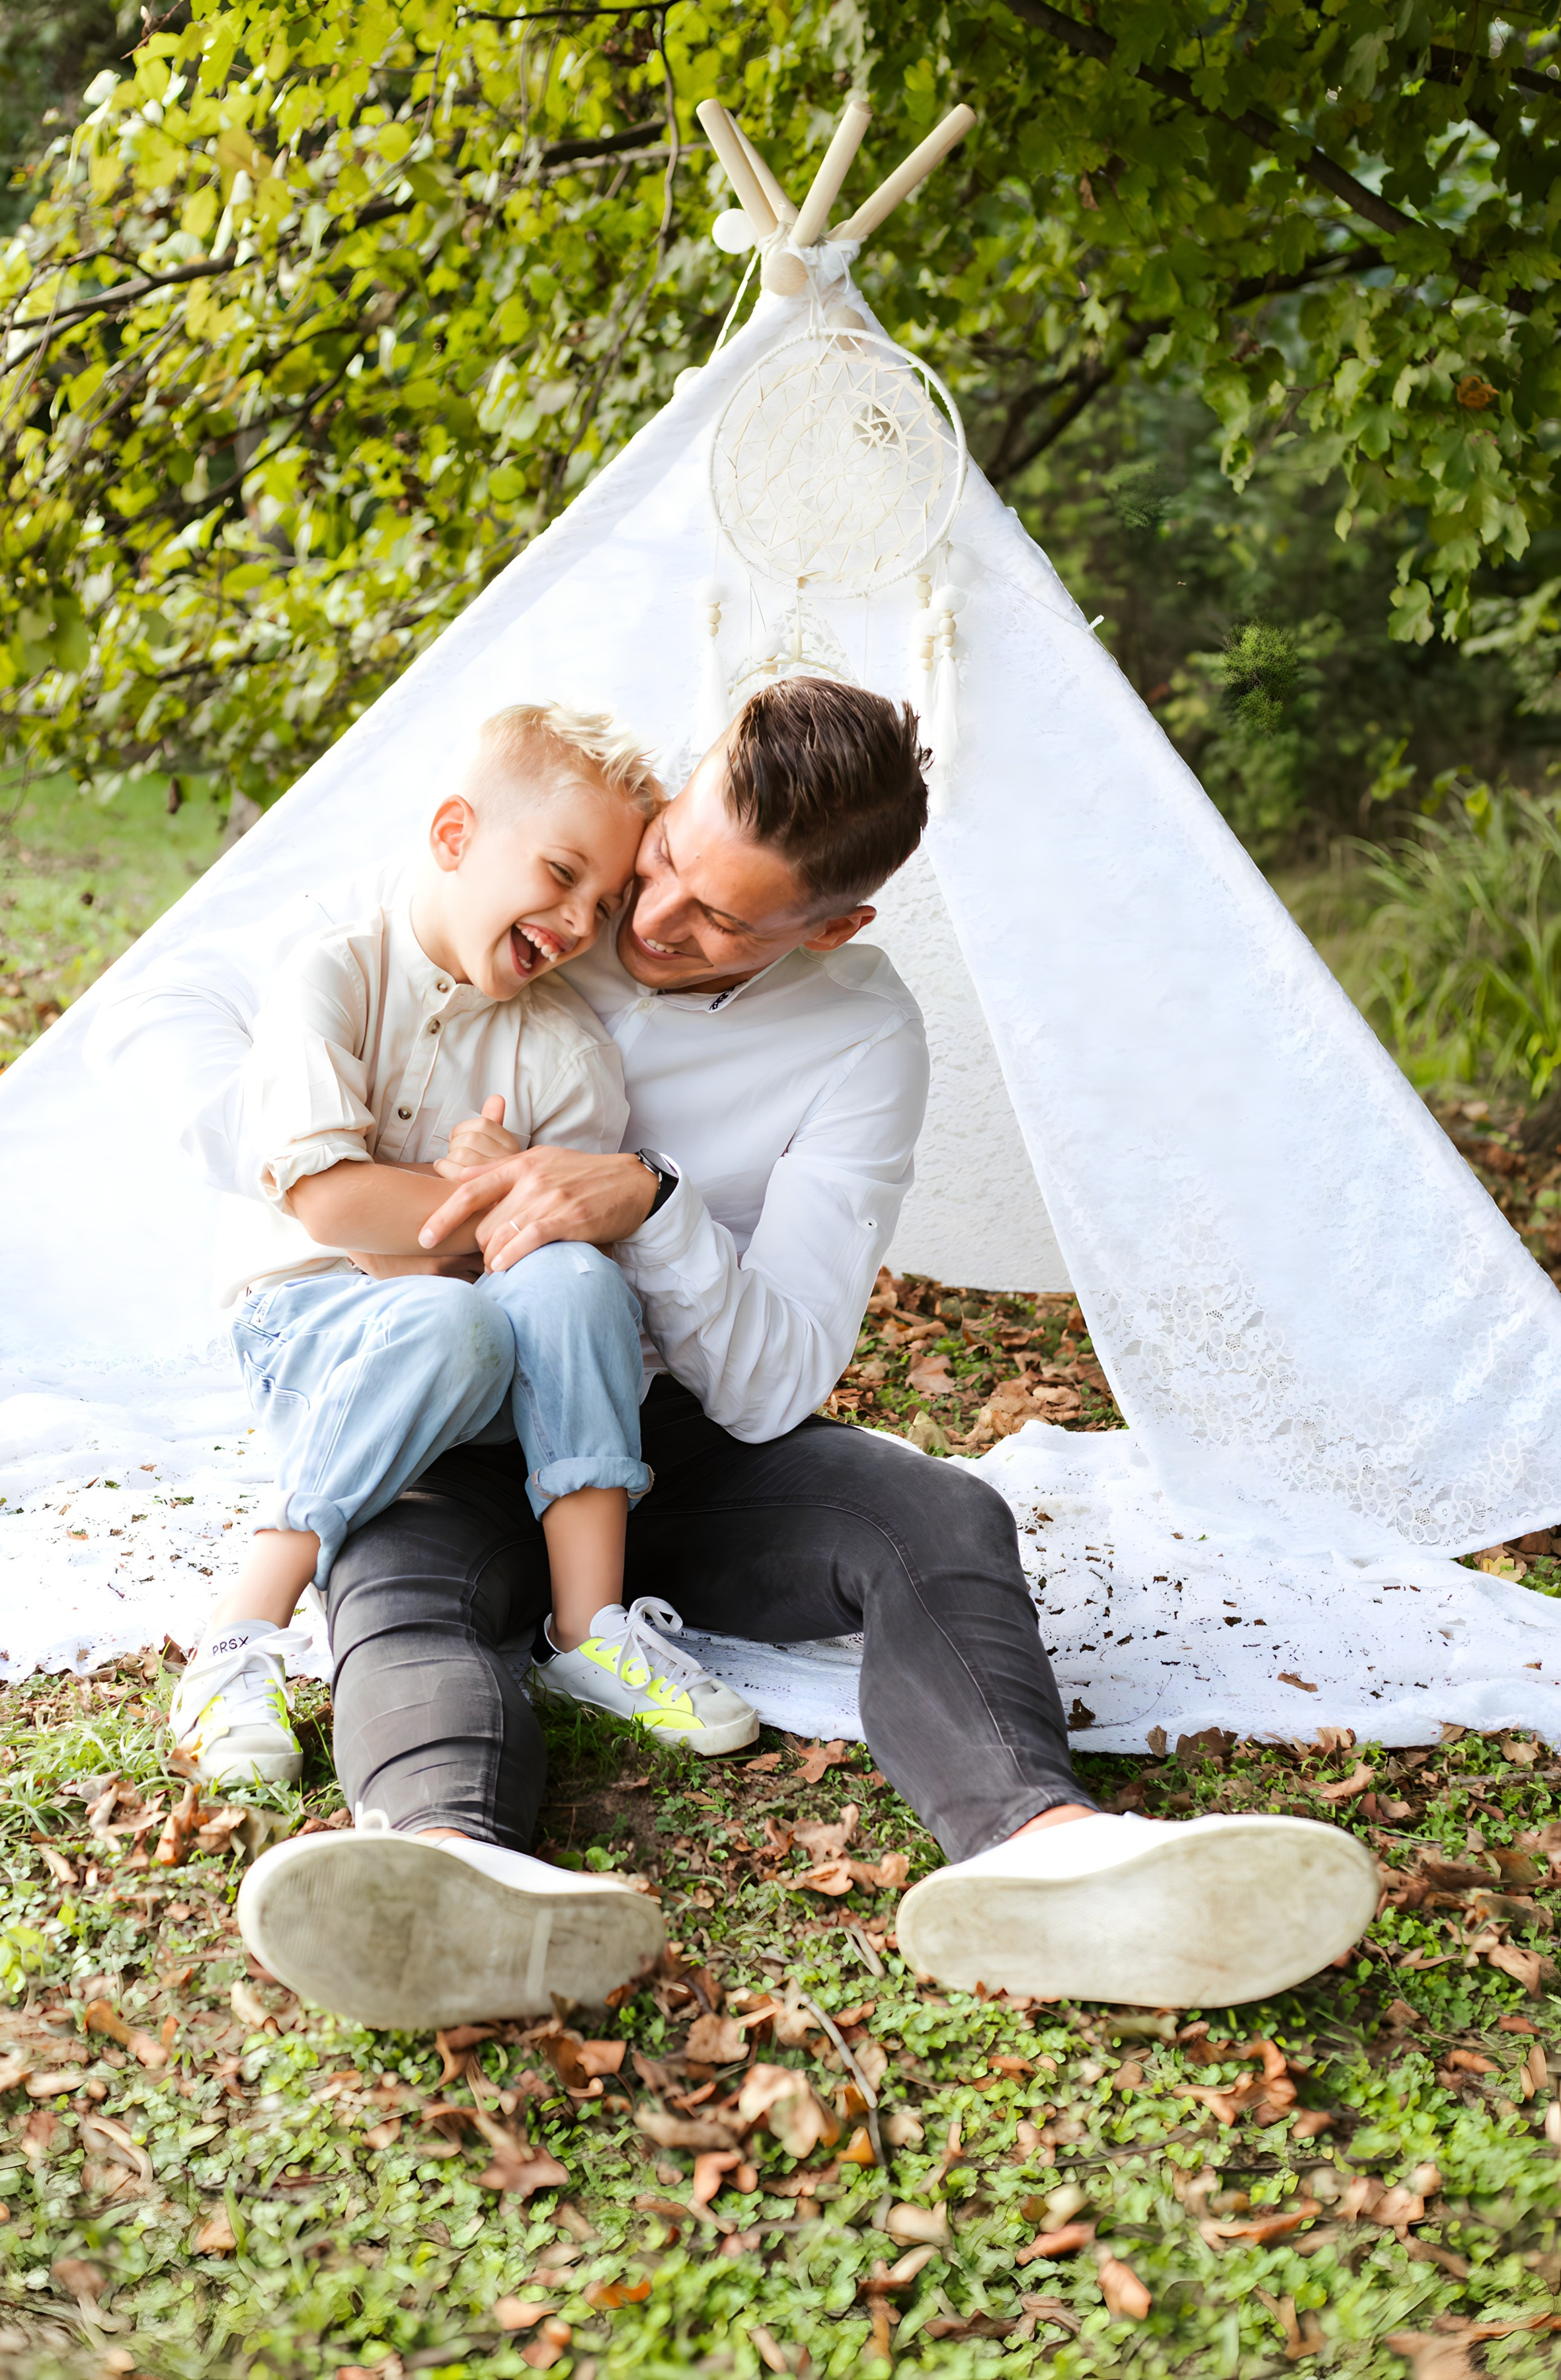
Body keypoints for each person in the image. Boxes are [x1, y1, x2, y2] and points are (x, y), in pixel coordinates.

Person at [96, 675, 1377, 2028]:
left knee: (937, 1514)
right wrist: (352, 1190)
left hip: (662, 1442)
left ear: (832, 928)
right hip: (446, 1401)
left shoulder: (860, 1038)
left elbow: (774, 1383)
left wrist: (649, 1203)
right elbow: (180, 1002)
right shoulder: (540, 886)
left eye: (718, 917)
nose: (642, 923)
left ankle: (1045, 1851)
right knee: (403, 1569)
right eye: (662, 862)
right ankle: (440, 1864)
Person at [167, 703, 757, 1789]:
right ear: (454, 838)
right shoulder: (336, 974)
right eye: (562, 871)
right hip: (307, 1323)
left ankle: (593, 1631)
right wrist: (493, 1196)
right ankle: (234, 1640)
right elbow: (332, 1209)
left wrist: (513, 1211)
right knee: (453, 1312)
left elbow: (547, 1279)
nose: (581, 921)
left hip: (478, 1349)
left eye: (606, 900)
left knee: (574, 1275)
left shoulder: (567, 1050)